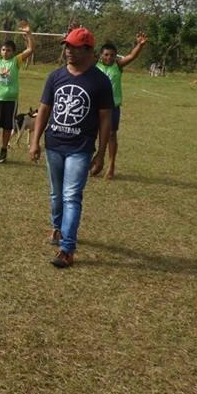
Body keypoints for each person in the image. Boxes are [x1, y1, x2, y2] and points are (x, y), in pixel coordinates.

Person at [29, 27, 113, 268]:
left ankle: (67, 248)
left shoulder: (100, 81)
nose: (68, 51)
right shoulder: (55, 77)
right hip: (54, 145)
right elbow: (44, 109)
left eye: (73, 47)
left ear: (88, 50)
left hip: (81, 148)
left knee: (71, 196)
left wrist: (100, 153)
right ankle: (57, 228)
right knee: (56, 194)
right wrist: (35, 141)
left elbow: (106, 118)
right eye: (66, 46)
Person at [0, 16, 34, 163]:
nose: (5, 52)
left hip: (11, 100)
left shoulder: (16, 61)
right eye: (3, 49)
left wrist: (28, 33)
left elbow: (30, 49)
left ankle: (3, 150)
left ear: (13, 52)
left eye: (9, 50)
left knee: (7, 127)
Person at [95, 32, 147, 179]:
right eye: (106, 55)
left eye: (112, 55)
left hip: (113, 107)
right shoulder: (94, 66)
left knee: (111, 135)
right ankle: (93, 161)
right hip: (95, 106)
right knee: (92, 134)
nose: (109, 57)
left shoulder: (117, 66)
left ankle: (111, 165)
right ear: (101, 55)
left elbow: (132, 56)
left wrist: (140, 45)